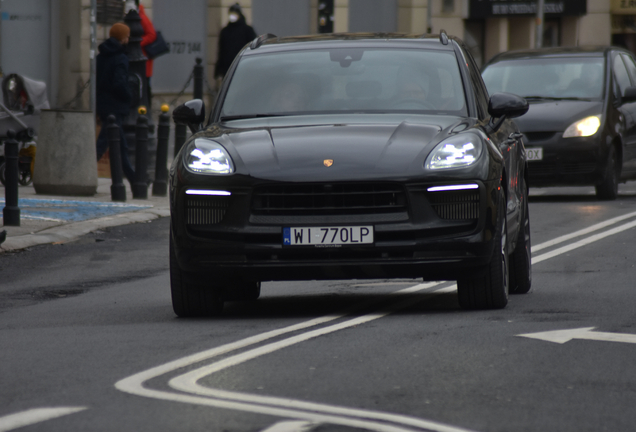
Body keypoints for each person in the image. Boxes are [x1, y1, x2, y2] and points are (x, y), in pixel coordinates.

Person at [95, 22, 136, 183]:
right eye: (127, 35)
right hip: (116, 106)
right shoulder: (120, 58)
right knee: (104, 142)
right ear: (122, 38)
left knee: (120, 145)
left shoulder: (101, 56)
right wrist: (128, 96)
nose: (129, 38)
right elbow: (119, 83)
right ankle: (84, 171)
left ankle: (134, 179)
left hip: (104, 105)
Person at [214, 3, 257, 83]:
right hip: (228, 69)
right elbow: (221, 52)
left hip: (243, 67)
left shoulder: (247, 30)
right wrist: (218, 71)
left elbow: (253, 49)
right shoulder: (225, 31)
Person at [138, 3, 157, 109]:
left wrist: (138, 43)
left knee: (145, 86)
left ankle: (147, 108)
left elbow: (152, 34)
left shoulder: (142, 17)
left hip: (144, 59)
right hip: (142, 58)